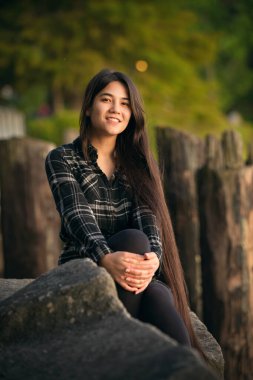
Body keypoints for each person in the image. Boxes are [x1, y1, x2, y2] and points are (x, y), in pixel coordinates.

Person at [45, 69, 203, 354]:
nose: (116, 109)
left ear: (133, 113)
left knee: (157, 291)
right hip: (83, 269)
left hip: (130, 277)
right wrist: (105, 257)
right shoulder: (62, 159)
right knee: (133, 241)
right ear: (89, 106)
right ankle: (117, 356)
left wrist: (153, 258)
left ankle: (189, 368)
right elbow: (78, 217)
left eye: (125, 103)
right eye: (107, 99)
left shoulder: (137, 164)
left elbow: (148, 219)